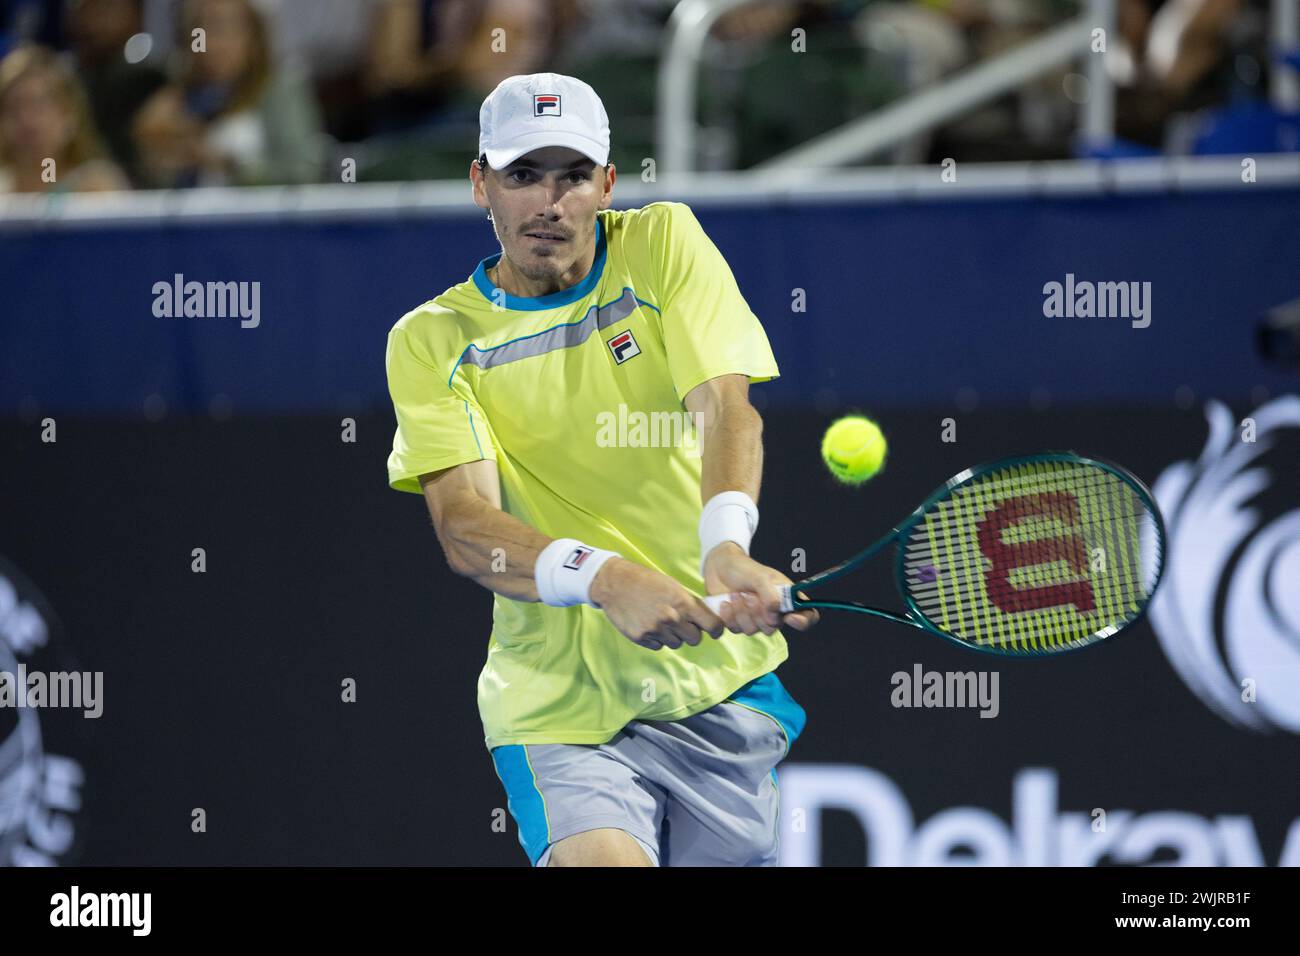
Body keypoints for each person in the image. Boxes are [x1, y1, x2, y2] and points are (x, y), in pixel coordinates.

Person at [384, 72, 819, 867]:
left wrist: (725, 546)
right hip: (558, 708)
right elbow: (466, 529)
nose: (549, 202)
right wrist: (609, 579)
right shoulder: (433, 340)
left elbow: (725, 407)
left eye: (573, 176)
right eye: (522, 175)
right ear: (480, 183)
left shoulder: (662, 245)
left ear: (608, 185)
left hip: (720, 693)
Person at [130, 0, 323, 187]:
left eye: (226, 28)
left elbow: (305, 171)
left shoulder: (280, 90)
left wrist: (231, 166)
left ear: (254, 37)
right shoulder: (178, 95)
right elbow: (155, 185)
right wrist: (155, 149)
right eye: (203, 29)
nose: (215, 43)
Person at [0, 43, 127, 193]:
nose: (27, 119)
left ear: (70, 115)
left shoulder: (97, 186)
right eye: (15, 107)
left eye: (40, 105)